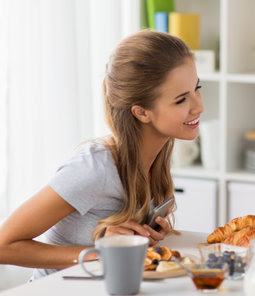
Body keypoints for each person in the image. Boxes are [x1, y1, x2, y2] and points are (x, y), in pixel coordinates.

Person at [0, 30, 204, 279]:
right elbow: (4, 246)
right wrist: (100, 253)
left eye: (197, 88)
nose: (199, 106)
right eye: (181, 99)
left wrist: (145, 238)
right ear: (142, 113)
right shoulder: (95, 167)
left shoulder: (157, 156)